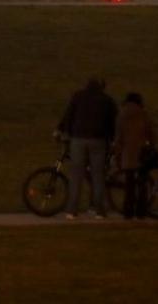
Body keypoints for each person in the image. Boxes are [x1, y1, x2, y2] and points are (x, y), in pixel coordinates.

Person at [56, 77, 116, 219]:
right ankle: (99, 211)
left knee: (76, 176)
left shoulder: (78, 96)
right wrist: (112, 139)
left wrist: (60, 129)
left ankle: (71, 211)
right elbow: (113, 122)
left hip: (78, 139)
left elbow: (68, 114)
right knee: (98, 176)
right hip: (98, 140)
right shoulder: (107, 100)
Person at [112, 93, 157, 220]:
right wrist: (152, 146)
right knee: (142, 185)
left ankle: (128, 212)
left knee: (129, 186)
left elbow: (118, 139)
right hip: (142, 155)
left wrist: (117, 156)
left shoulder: (121, 116)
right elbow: (152, 133)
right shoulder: (144, 114)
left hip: (127, 155)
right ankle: (141, 212)